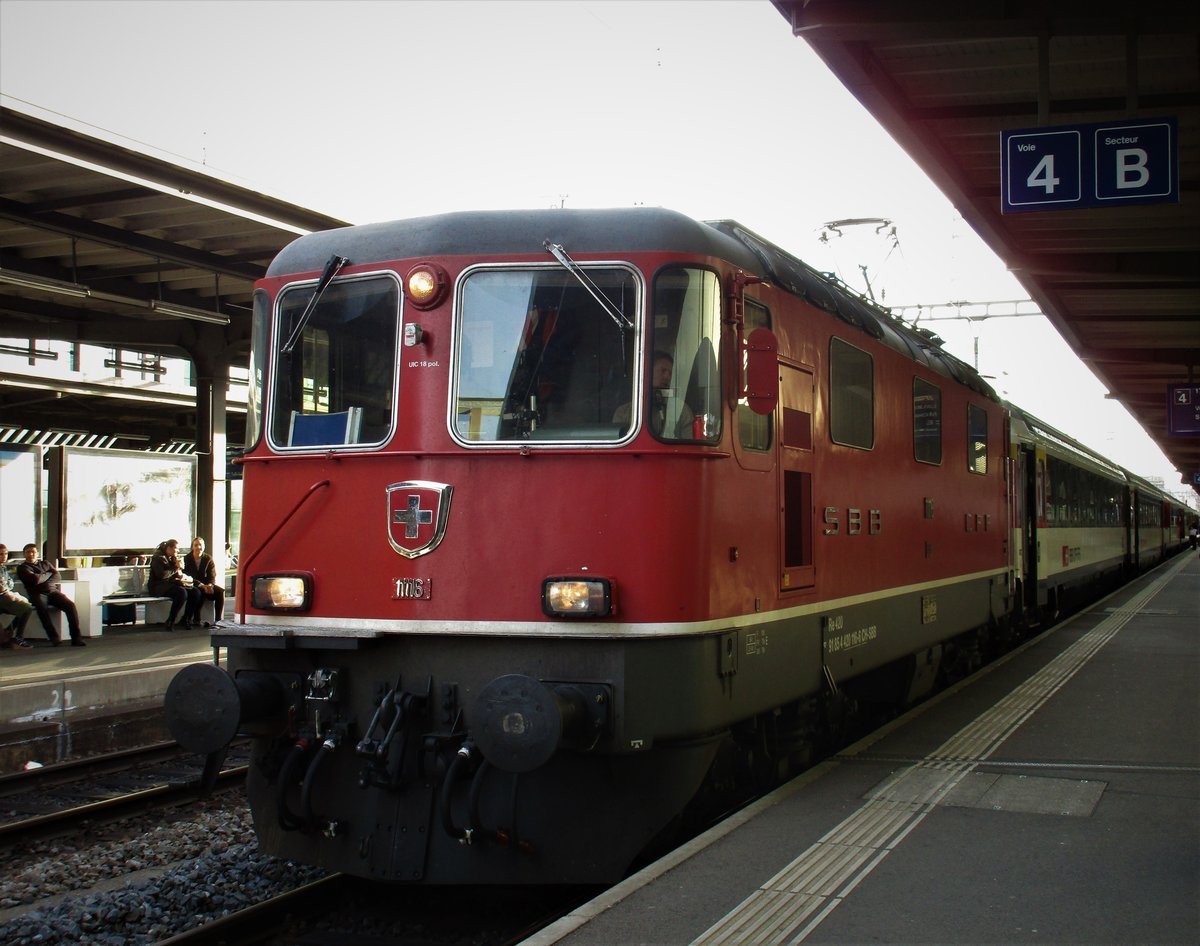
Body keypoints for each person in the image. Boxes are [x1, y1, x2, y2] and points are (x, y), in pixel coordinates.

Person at [17, 543, 85, 647]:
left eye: (33, 552)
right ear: (24, 554)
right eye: (28, 552)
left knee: (70, 606)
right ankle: (54, 638)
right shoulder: (22, 568)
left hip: (53, 592)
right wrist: (48, 574)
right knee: (42, 610)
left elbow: (57, 576)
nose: (31, 554)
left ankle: (76, 638)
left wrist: (42, 577)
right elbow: (35, 580)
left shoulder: (45, 563)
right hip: (37, 594)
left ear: (38, 553)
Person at [613, 351, 695, 437]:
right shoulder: (624, 412)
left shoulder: (681, 410)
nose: (667, 377)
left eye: (670, 373)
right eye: (663, 371)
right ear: (647, 371)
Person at [182, 536, 224, 628]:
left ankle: (218, 619)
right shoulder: (187, 559)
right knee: (199, 592)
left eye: (200, 545)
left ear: (203, 546)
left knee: (220, 592)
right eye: (196, 545)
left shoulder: (208, 558)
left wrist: (209, 585)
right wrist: (201, 585)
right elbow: (188, 577)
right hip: (193, 584)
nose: (198, 547)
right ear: (192, 547)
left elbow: (212, 575)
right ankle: (196, 619)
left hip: (206, 584)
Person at [148, 539, 190, 631]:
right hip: (158, 587)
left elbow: (174, 573)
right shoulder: (158, 557)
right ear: (169, 548)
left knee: (195, 592)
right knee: (181, 593)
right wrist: (176, 567)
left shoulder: (171, 557)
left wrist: (180, 572)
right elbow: (162, 575)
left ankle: (186, 618)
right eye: (176, 549)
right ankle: (171, 620)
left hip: (169, 585)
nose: (178, 551)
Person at [0, 544, 35, 650]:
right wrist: (5, 587)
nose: (4, 556)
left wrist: (6, 586)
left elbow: (10, 583)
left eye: (5, 554)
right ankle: (16, 637)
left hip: (4, 596)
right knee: (26, 608)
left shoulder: (3, 568)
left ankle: (10, 633)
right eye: (1, 554)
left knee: (26, 607)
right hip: (2, 597)